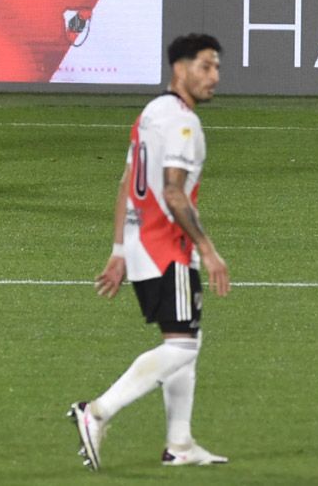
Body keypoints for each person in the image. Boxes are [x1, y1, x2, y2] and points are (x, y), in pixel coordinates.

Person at [68, 34, 232, 471]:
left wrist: (120, 249)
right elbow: (175, 193)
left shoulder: (149, 114)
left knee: (184, 342)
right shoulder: (180, 122)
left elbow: (126, 182)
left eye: (216, 66)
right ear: (179, 69)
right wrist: (208, 250)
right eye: (205, 66)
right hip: (168, 248)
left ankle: (179, 444)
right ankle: (97, 411)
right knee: (182, 348)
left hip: (143, 246)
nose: (215, 76)